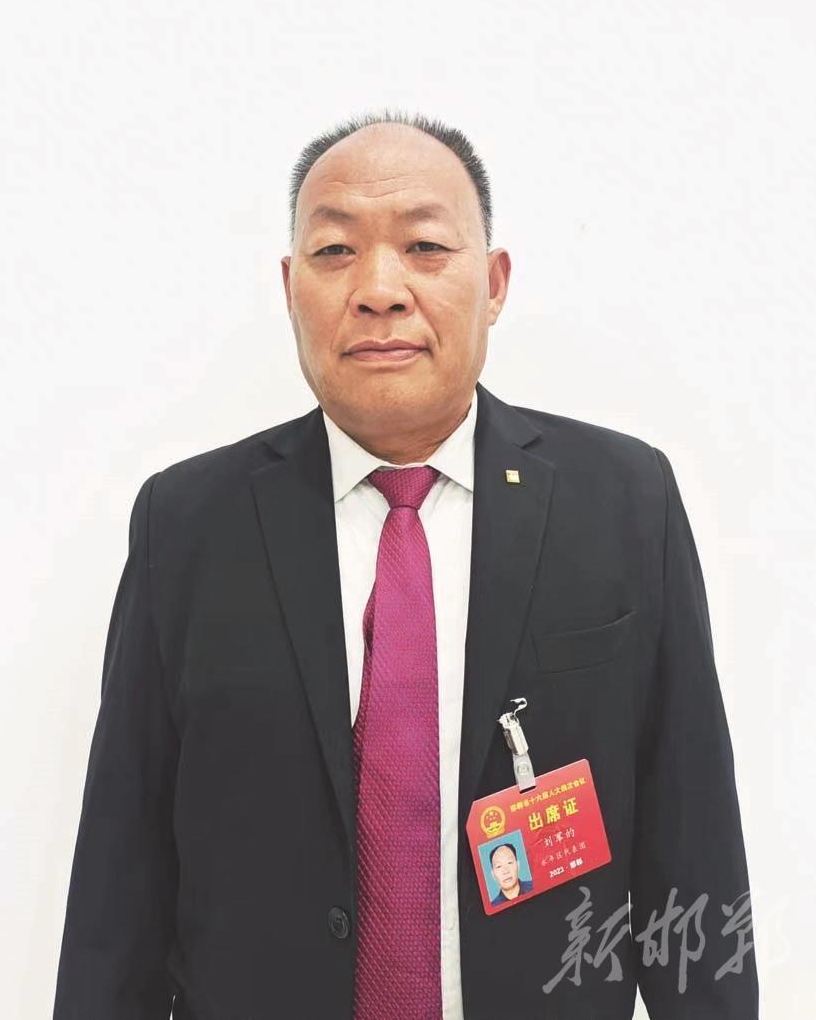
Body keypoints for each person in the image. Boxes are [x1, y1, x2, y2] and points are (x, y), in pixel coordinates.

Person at [52, 108, 759, 1019]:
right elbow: (121, 880)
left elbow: (692, 848)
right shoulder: (188, 524)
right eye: (335, 251)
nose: (379, 290)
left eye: (425, 246)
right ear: (290, 287)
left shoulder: (624, 501)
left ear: (493, 283)